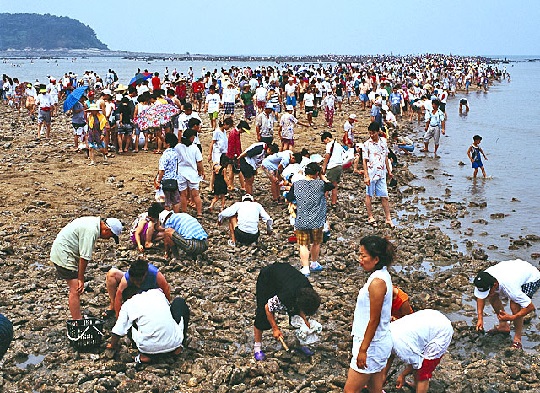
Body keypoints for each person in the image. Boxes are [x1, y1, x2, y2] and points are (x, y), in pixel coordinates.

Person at [343, 235, 394, 393]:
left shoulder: (378, 282)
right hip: (378, 342)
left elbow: (374, 320)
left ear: (376, 258)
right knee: (375, 389)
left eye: (363, 255)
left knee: (349, 391)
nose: (360, 259)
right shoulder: (381, 276)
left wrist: (363, 350)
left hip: (372, 345)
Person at [50, 216, 122, 320]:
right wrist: (81, 279)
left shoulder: (93, 222)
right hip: (63, 254)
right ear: (106, 230)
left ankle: (78, 318)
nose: (108, 239)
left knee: (75, 288)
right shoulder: (91, 231)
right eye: (110, 236)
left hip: (63, 250)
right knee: (75, 289)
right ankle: (78, 321)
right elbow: (84, 257)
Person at [253, 262, 321, 361]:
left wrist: (306, 323)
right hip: (267, 279)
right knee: (262, 314)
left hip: (285, 278)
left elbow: (300, 311)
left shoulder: (308, 290)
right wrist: (275, 329)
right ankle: (257, 347)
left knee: (296, 315)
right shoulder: (288, 294)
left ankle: (300, 343)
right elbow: (268, 308)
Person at [107, 287, 189, 365]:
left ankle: (145, 356)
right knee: (179, 301)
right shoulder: (157, 293)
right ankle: (178, 348)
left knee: (128, 323)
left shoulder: (128, 304)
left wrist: (112, 345)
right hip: (174, 343)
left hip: (148, 349)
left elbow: (118, 330)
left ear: (126, 299)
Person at [473, 259, 540, 349]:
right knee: (492, 296)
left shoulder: (511, 288)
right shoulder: (483, 280)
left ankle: (517, 339)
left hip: (531, 277)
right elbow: (480, 297)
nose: (486, 295)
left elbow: (530, 307)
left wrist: (512, 317)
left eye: (488, 291)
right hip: (513, 270)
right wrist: (480, 318)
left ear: (495, 285)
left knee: (515, 305)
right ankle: (503, 326)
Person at [286, 162, 334, 276]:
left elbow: (289, 197)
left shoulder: (297, 184)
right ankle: (314, 262)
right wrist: (322, 175)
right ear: (317, 173)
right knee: (316, 243)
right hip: (317, 220)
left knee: (303, 245)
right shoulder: (320, 184)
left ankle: (305, 267)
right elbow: (331, 185)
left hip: (301, 219)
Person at [389, 310, 454, 393]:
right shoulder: (387, 332)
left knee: (423, 371)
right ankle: (417, 387)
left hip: (441, 331)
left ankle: (420, 388)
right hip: (429, 321)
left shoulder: (400, 348)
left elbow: (418, 363)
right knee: (419, 367)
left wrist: (403, 375)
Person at [105, 258, 171, 318]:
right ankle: (112, 306)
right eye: (134, 281)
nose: (137, 283)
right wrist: (118, 317)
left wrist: (166, 309)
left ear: (145, 275)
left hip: (152, 294)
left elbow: (166, 289)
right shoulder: (126, 279)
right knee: (111, 274)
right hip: (135, 292)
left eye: (139, 281)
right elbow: (118, 298)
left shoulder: (155, 274)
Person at [362, 122, 394, 228]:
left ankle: (388, 218)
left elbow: (385, 157)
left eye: (373, 133)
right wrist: (366, 175)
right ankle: (370, 216)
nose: (371, 135)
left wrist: (389, 171)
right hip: (371, 173)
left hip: (381, 173)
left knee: (384, 196)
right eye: (370, 133)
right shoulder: (366, 144)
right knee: (369, 195)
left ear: (378, 132)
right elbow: (364, 161)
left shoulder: (383, 142)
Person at [176, 129, 205, 219]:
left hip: (181, 172)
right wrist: (202, 171)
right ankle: (199, 213)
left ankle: (184, 212)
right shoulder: (195, 148)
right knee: (196, 194)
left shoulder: (178, 147)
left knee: (183, 195)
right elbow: (199, 162)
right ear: (192, 138)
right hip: (192, 173)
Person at [155, 133, 181, 213]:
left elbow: (162, 170)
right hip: (175, 180)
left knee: (166, 202)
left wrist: (158, 180)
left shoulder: (165, 155)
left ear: (168, 144)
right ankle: (176, 216)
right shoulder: (177, 154)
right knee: (176, 201)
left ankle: (167, 218)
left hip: (166, 180)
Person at [321, 131, 344, 209]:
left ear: (327, 139)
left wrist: (323, 168)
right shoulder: (338, 145)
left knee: (326, 185)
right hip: (339, 166)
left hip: (332, 166)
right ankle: (333, 202)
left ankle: (322, 203)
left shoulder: (329, 145)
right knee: (334, 185)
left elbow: (327, 156)